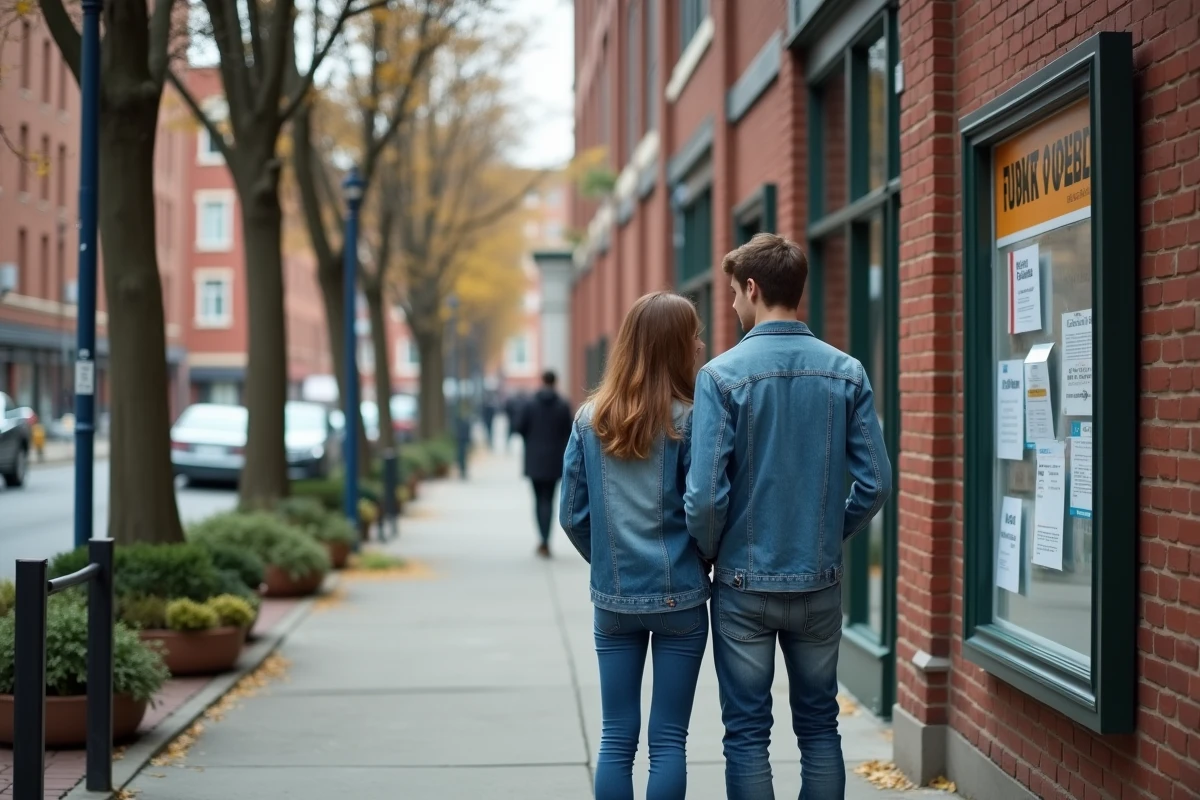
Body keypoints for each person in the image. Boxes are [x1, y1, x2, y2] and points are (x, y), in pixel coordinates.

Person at [685, 233, 891, 800]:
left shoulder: (721, 378)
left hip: (742, 584)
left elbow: (704, 496)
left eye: (732, 293)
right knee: (821, 727)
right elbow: (875, 484)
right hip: (818, 580)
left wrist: (710, 550)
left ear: (752, 289)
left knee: (747, 735)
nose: (731, 305)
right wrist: (830, 533)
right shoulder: (847, 372)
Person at [559, 291, 709, 800]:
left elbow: (572, 516)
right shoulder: (692, 420)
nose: (700, 344)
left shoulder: (588, 419)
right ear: (675, 347)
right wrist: (700, 558)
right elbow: (704, 508)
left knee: (616, 738)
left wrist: (608, 563)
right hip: (681, 598)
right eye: (693, 336)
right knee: (669, 740)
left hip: (614, 600)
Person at [514, 371, 573, 556]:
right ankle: (546, 540)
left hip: (534, 460)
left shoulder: (530, 404)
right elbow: (570, 431)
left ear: (542, 381)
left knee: (539, 500)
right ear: (556, 382)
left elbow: (519, 427)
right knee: (549, 499)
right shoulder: (563, 405)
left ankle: (542, 539)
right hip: (555, 461)